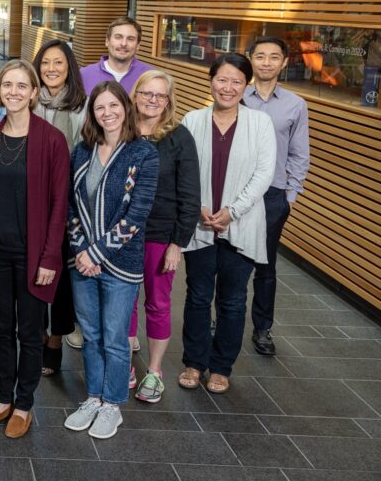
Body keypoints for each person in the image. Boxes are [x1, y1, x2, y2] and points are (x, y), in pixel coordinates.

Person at [0, 60, 70, 439]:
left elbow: (60, 204)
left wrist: (50, 258)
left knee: (30, 332)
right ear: (0, 91)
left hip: (33, 256)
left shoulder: (52, 140)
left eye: (22, 85)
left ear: (34, 92)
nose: (13, 91)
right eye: (7, 85)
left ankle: (24, 404)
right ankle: (2, 398)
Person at [63, 81, 158, 440]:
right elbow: (70, 206)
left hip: (121, 265)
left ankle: (113, 404)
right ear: (92, 114)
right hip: (82, 262)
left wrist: (97, 253)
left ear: (125, 107)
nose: (107, 113)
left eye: (113, 106)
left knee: (116, 338)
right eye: (100, 108)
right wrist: (81, 252)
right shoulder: (82, 151)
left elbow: (137, 216)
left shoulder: (143, 154)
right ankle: (93, 397)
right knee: (90, 335)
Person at [179, 54, 276, 395]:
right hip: (200, 223)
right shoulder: (192, 120)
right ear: (211, 81)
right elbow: (184, 170)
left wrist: (232, 211)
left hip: (243, 224)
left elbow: (264, 174)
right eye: (222, 79)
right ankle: (193, 361)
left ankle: (221, 367)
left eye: (237, 81)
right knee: (198, 296)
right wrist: (200, 208)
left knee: (233, 300)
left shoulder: (260, 124)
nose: (228, 87)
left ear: (246, 85)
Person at [128, 70, 201, 403]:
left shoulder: (179, 138)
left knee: (157, 303)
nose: (153, 100)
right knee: (123, 302)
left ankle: (155, 371)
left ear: (169, 101)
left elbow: (190, 195)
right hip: (123, 234)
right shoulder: (121, 130)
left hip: (160, 235)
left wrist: (177, 243)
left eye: (160, 95)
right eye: (147, 93)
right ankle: (125, 364)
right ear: (136, 94)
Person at [243, 37, 310, 356]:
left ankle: (262, 328)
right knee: (228, 260)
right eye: (260, 56)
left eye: (274, 57)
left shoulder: (295, 104)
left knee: (265, 264)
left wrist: (290, 194)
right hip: (237, 192)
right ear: (250, 60)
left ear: (284, 62)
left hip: (273, 195)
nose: (266, 62)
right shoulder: (237, 95)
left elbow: (299, 153)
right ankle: (221, 318)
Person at [31, 39, 87, 372]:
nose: (52, 69)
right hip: (31, 201)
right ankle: (36, 334)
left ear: (69, 69)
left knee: (62, 275)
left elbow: (85, 154)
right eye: (46, 63)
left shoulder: (82, 106)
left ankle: (55, 338)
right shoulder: (29, 100)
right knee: (34, 269)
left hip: (69, 200)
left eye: (59, 63)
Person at [80, 16, 154, 94]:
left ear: (138, 45)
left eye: (130, 39)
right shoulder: (84, 75)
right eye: (118, 37)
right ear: (107, 41)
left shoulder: (150, 75)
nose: (124, 43)